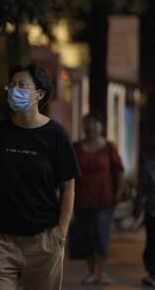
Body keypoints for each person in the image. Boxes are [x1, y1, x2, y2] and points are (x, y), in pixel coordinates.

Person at [0, 63, 81, 290]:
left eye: (22, 85)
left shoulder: (56, 135)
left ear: (39, 94)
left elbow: (69, 187)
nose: (14, 89)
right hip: (0, 240)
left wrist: (61, 233)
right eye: (12, 85)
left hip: (44, 240)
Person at [71, 113, 126, 285]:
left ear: (101, 127)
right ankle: (91, 272)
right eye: (87, 123)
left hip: (104, 198)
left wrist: (120, 190)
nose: (91, 126)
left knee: (101, 235)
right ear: (83, 126)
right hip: (81, 198)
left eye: (95, 123)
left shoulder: (109, 147)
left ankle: (101, 272)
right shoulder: (76, 147)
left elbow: (118, 170)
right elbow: (69, 172)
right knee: (86, 236)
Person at [135, 143, 155, 287]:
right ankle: (152, 273)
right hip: (152, 212)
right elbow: (141, 189)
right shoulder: (149, 167)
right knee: (152, 243)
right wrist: (138, 206)